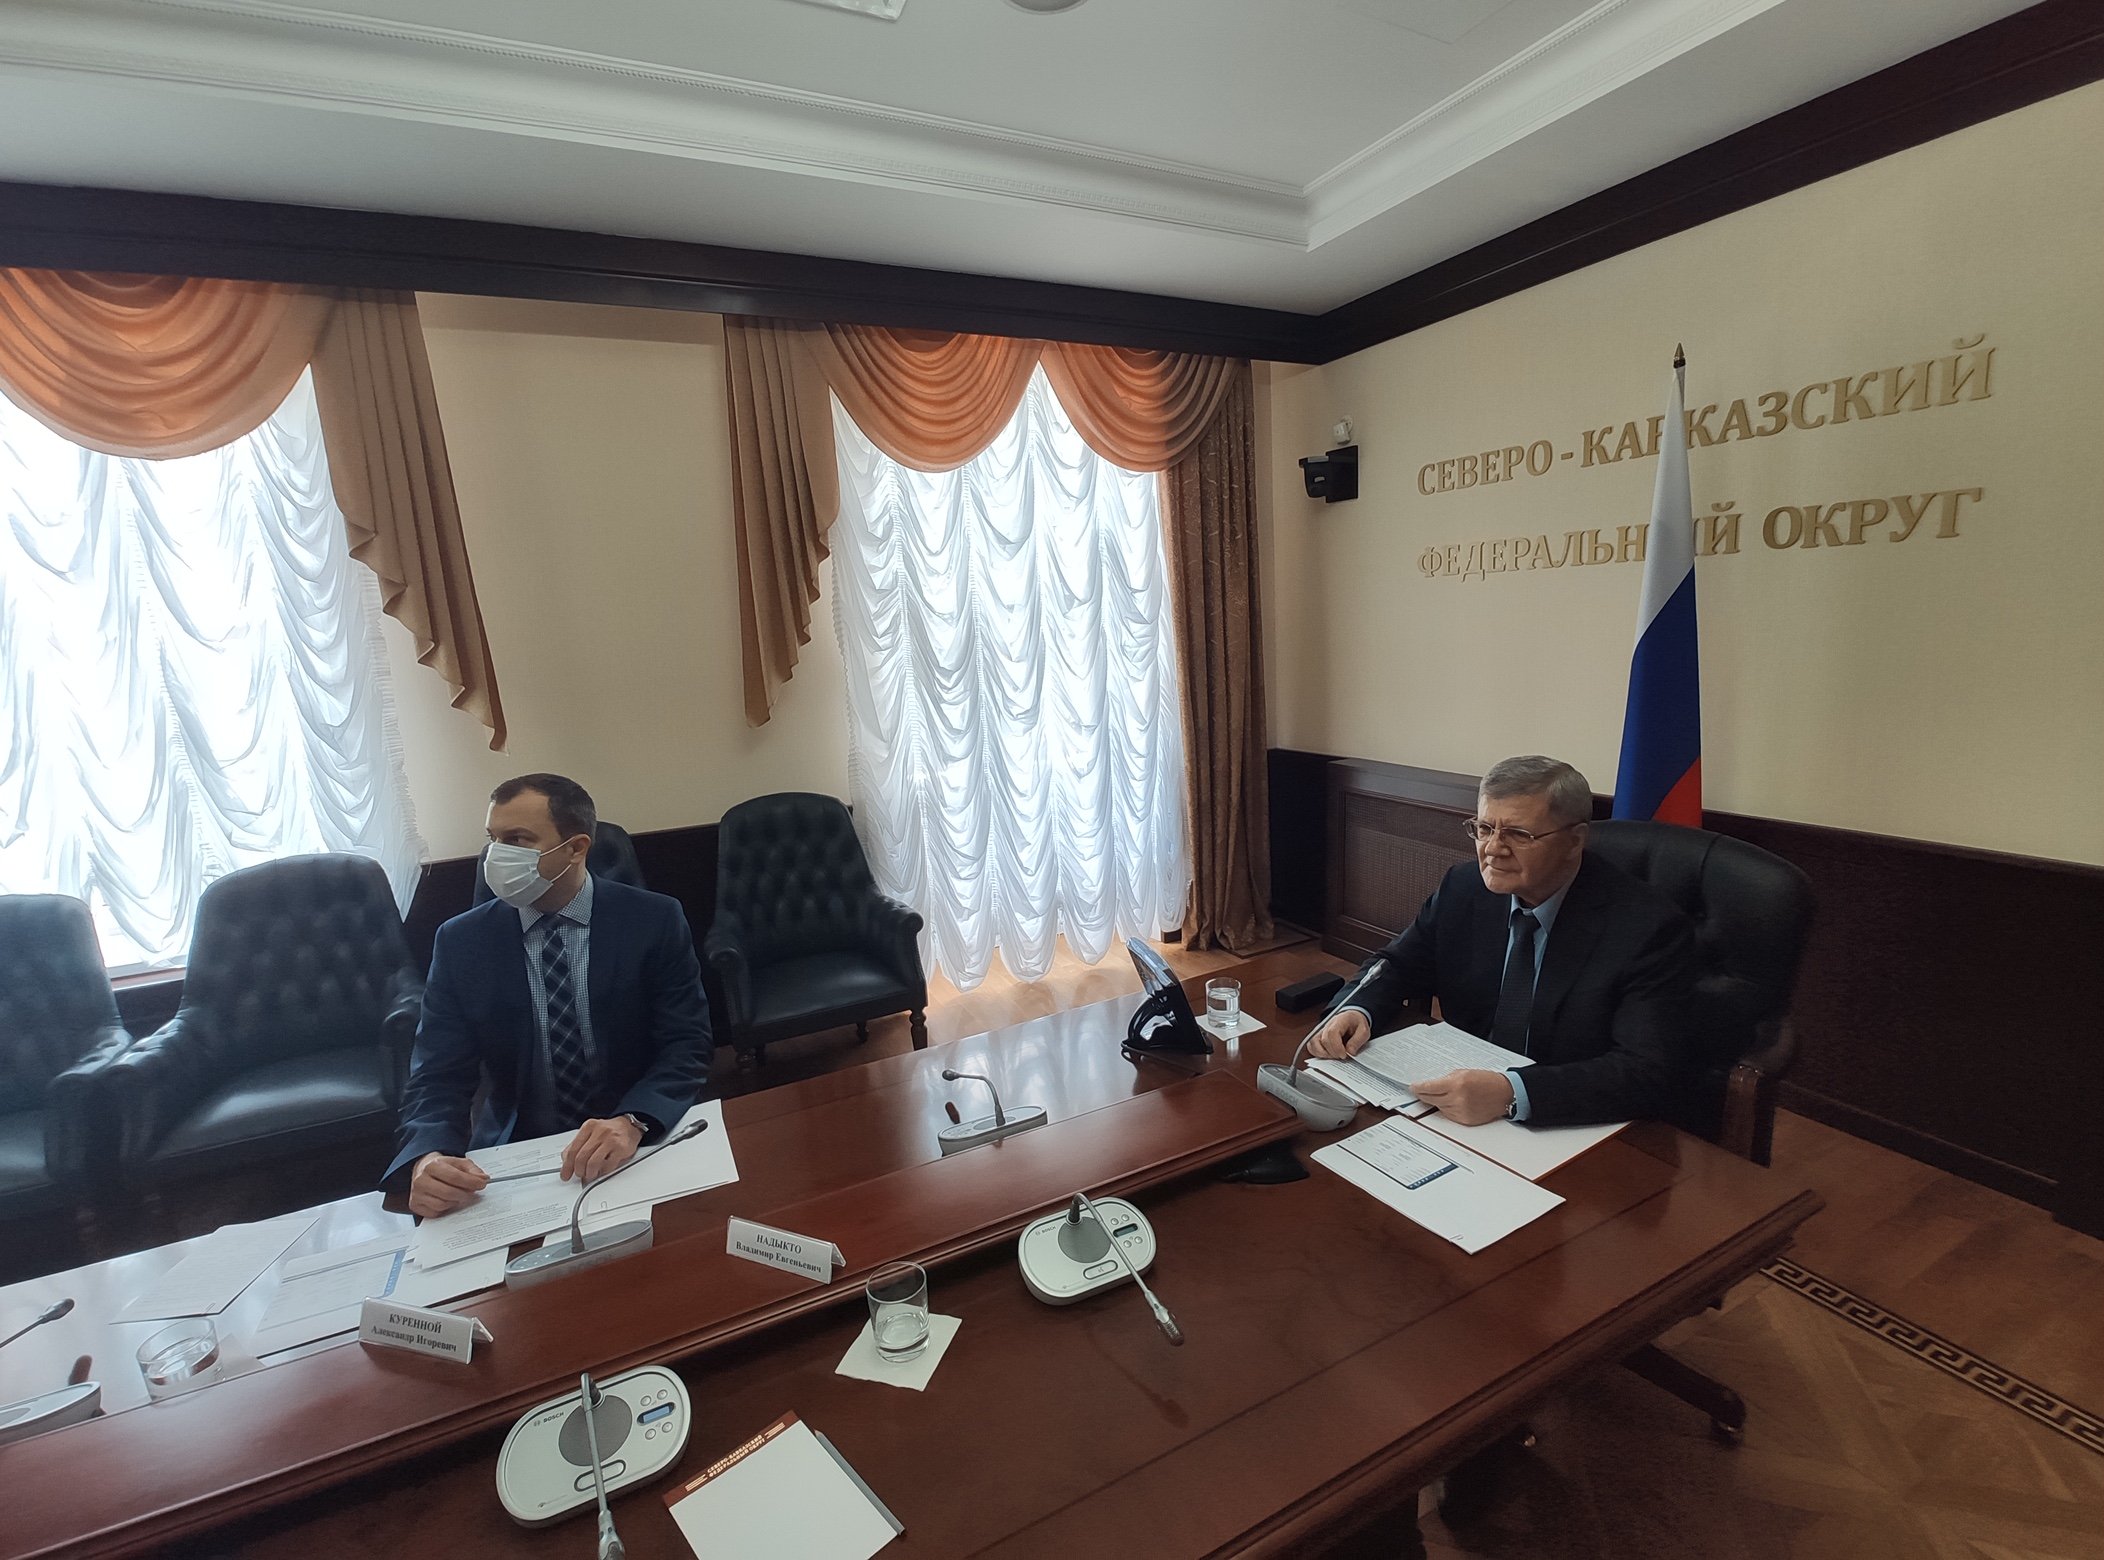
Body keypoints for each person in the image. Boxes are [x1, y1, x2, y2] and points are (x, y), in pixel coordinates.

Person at [1306, 754, 1696, 1129]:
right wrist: (1356, 1009)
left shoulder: (1647, 928)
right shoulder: (1464, 888)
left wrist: (1513, 1093)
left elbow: (1648, 1070)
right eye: (1484, 828)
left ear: (1575, 840)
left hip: (1569, 1120)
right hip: (1455, 1100)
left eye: (1518, 834)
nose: (1493, 848)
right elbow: (1397, 965)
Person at [384, 774, 711, 1218]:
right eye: (493, 839)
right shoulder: (462, 942)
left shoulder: (653, 920)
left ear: (576, 848)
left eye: (517, 840)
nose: (495, 856)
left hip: (635, 1137)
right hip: (519, 1152)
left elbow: (686, 1043)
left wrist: (634, 1119)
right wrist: (428, 1155)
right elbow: (437, 1074)